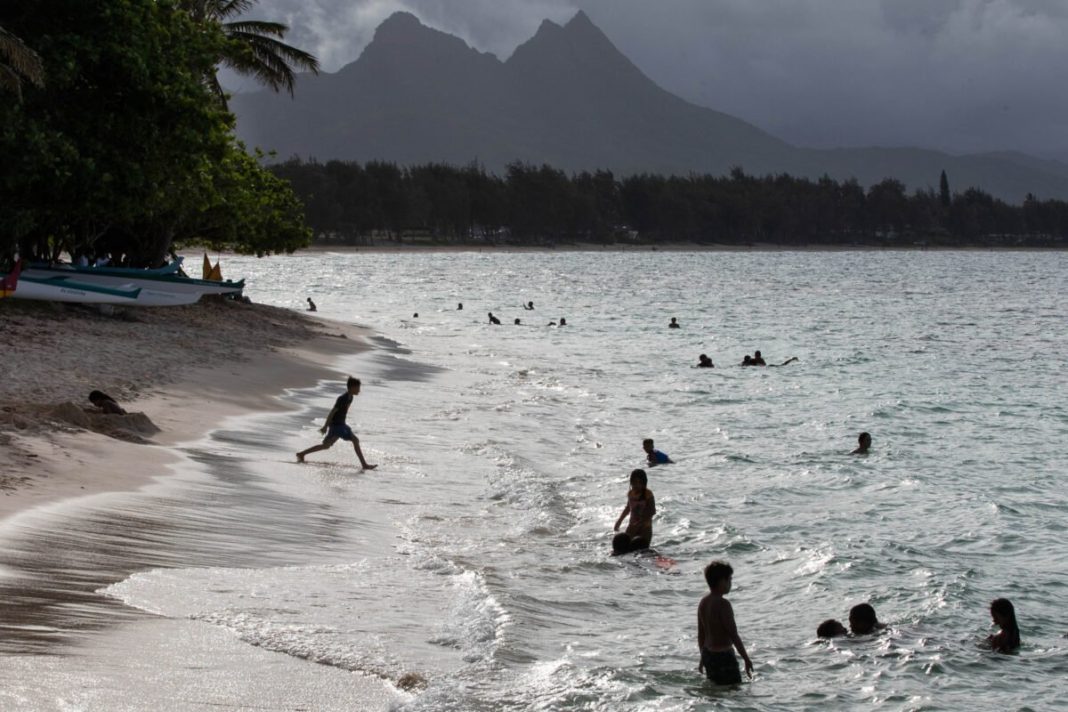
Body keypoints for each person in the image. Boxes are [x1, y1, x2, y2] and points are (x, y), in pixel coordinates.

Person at [296, 377, 377, 470]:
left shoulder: (351, 397)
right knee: (355, 440)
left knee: (326, 446)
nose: (359, 390)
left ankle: (301, 454)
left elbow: (343, 412)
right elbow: (332, 412)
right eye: (358, 387)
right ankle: (364, 465)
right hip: (337, 426)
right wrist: (325, 426)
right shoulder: (342, 398)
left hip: (340, 425)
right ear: (352, 387)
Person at [697, 560, 754, 685]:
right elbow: (733, 634)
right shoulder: (723, 604)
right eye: (729, 580)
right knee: (734, 690)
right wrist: (746, 659)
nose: (730, 584)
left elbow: (701, 634)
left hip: (708, 654)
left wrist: (702, 657)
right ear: (722, 581)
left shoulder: (703, 602)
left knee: (715, 690)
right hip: (723, 656)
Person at [613, 468, 656, 550]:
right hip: (632, 525)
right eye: (634, 482)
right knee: (625, 549)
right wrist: (619, 521)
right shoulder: (630, 493)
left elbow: (652, 510)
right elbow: (628, 508)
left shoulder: (648, 494)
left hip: (645, 527)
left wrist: (640, 523)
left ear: (644, 483)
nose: (637, 485)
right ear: (631, 482)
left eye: (640, 483)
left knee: (643, 551)